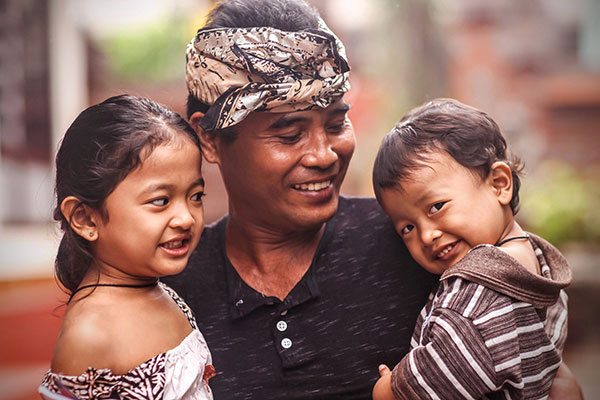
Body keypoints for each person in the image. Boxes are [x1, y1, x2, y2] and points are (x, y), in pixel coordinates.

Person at [165, 0, 583, 398]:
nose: (324, 154)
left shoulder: (420, 247)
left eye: (336, 123)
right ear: (210, 138)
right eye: (290, 134)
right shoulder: (167, 285)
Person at [371, 98, 572, 399]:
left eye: (436, 206)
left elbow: (435, 379)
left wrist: (388, 389)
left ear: (499, 184)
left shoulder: (477, 294)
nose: (426, 235)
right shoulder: (540, 265)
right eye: (407, 228)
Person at [39, 95, 215, 400]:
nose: (186, 218)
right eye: (160, 201)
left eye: (196, 196)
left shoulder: (165, 292)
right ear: (86, 219)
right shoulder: (91, 336)